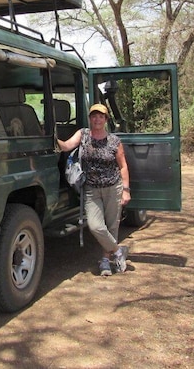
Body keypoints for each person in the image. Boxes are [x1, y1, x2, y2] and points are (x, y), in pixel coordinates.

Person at [58, 103, 131, 275]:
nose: (97, 119)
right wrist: (53, 138)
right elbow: (67, 146)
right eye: (94, 116)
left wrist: (126, 190)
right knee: (95, 226)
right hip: (91, 189)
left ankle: (105, 261)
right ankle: (118, 251)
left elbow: (123, 167)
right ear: (90, 118)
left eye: (101, 116)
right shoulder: (83, 135)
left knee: (112, 226)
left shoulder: (114, 141)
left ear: (106, 119)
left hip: (113, 187)